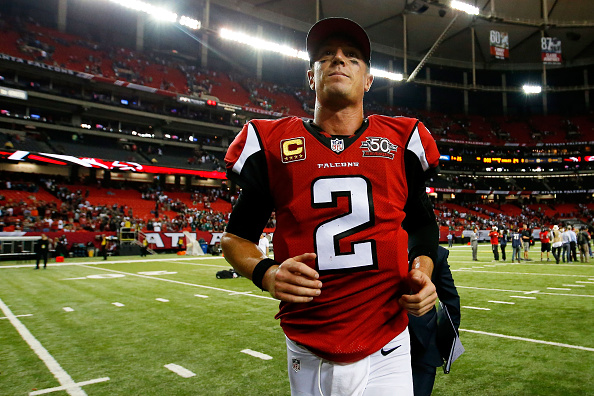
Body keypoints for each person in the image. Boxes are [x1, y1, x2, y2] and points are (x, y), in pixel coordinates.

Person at [221, 17, 440, 396]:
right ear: (312, 77)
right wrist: (268, 274)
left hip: (387, 339)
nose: (339, 60)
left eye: (352, 56)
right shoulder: (273, 143)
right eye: (326, 56)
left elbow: (423, 227)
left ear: (368, 80)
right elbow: (236, 238)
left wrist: (423, 271)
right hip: (310, 343)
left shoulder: (402, 141)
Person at [409, 246, 461, 396]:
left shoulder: (437, 252)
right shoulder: (436, 251)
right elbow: (451, 301)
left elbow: (450, 300)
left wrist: (447, 343)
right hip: (388, 344)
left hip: (421, 346)